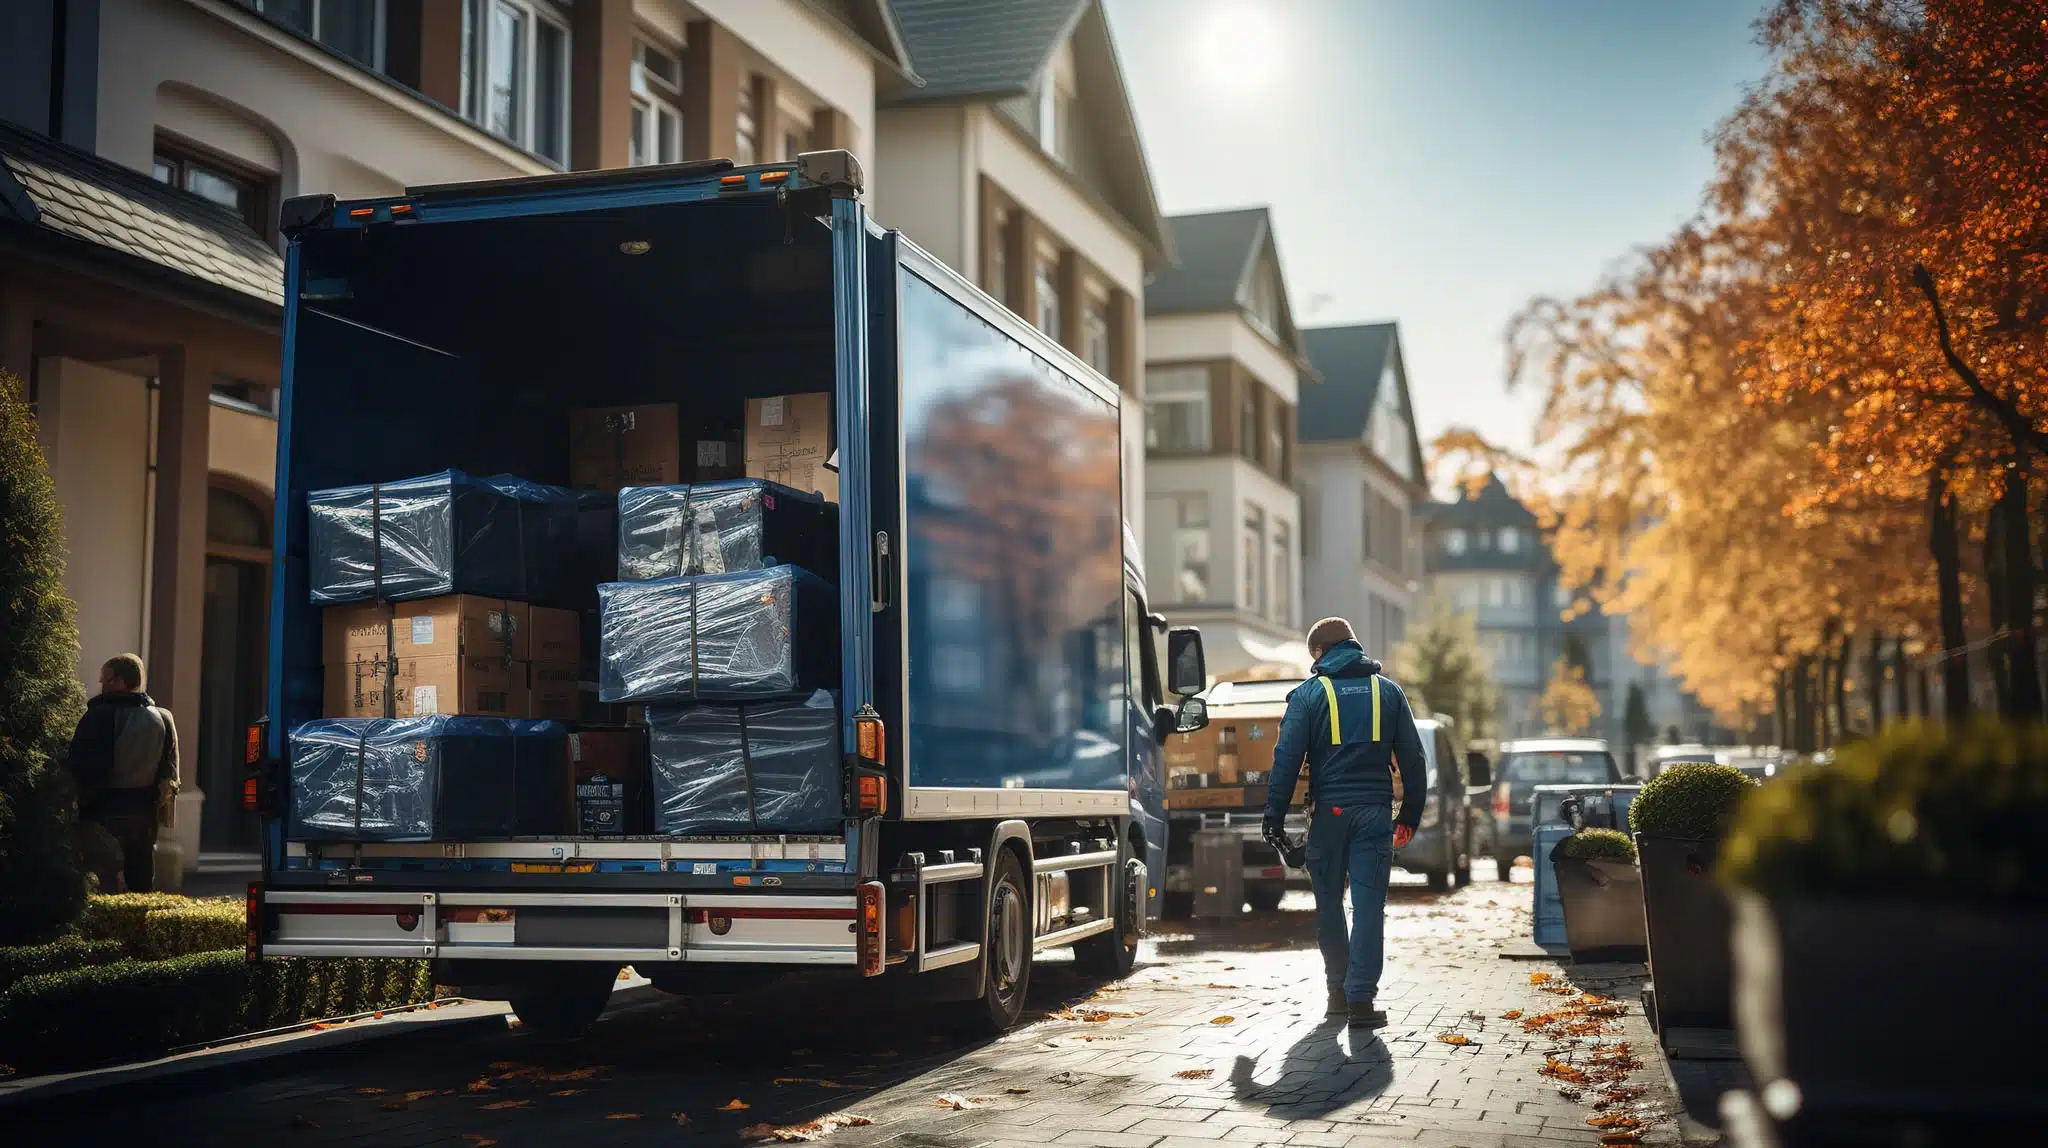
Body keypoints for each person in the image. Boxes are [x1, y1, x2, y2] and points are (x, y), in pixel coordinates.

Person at [1262, 617, 1426, 1031]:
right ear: (1353, 646)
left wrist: (1274, 819)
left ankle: (1337, 993)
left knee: (1330, 906)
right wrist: (1409, 817)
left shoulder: (1308, 696)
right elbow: (1414, 761)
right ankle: (1362, 1002)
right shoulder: (1389, 693)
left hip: (1328, 817)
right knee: (1370, 907)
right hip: (1374, 816)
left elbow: (1285, 762)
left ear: (1319, 654)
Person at [67, 653, 180, 893]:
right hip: (144, 814)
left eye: (105, 680)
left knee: (101, 883)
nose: (101, 685)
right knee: (140, 883)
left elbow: (83, 765)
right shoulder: (163, 718)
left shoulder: (99, 715)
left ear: (120, 682)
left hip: (103, 813)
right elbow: (168, 773)